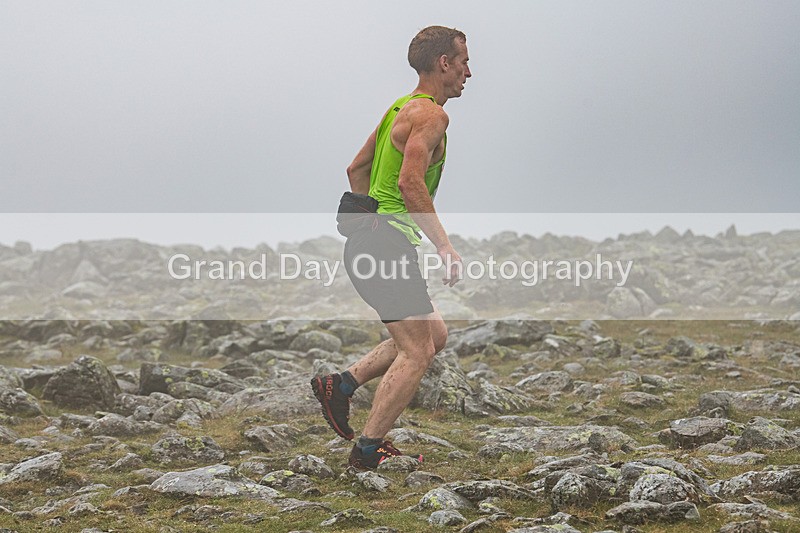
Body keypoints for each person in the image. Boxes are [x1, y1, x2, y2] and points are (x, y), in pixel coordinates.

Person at [311, 25, 471, 470]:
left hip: (373, 242)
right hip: (386, 247)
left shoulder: (399, 108)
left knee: (433, 335)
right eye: (464, 62)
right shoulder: (432, 116)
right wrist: (444, 246)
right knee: (417, 351)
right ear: (444, 63)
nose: (468, 72)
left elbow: (356, 168)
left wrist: (367, 222)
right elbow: (410, 183)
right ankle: (368, 450)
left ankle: (341, 385)